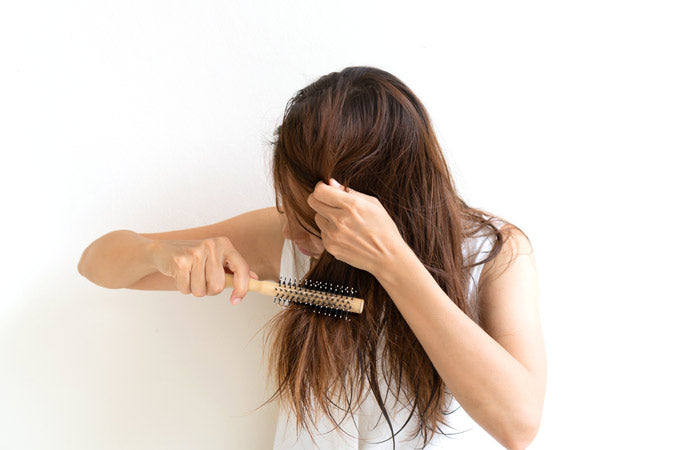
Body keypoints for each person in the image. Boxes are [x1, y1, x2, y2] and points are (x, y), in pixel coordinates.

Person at [78, 66, 546, 450]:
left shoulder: (494, 255)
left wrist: (392, 261)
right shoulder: (289, 239)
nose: (289, 229)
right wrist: (161, 255)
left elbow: (518, 425)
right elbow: (95, 264)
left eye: (308, 214)